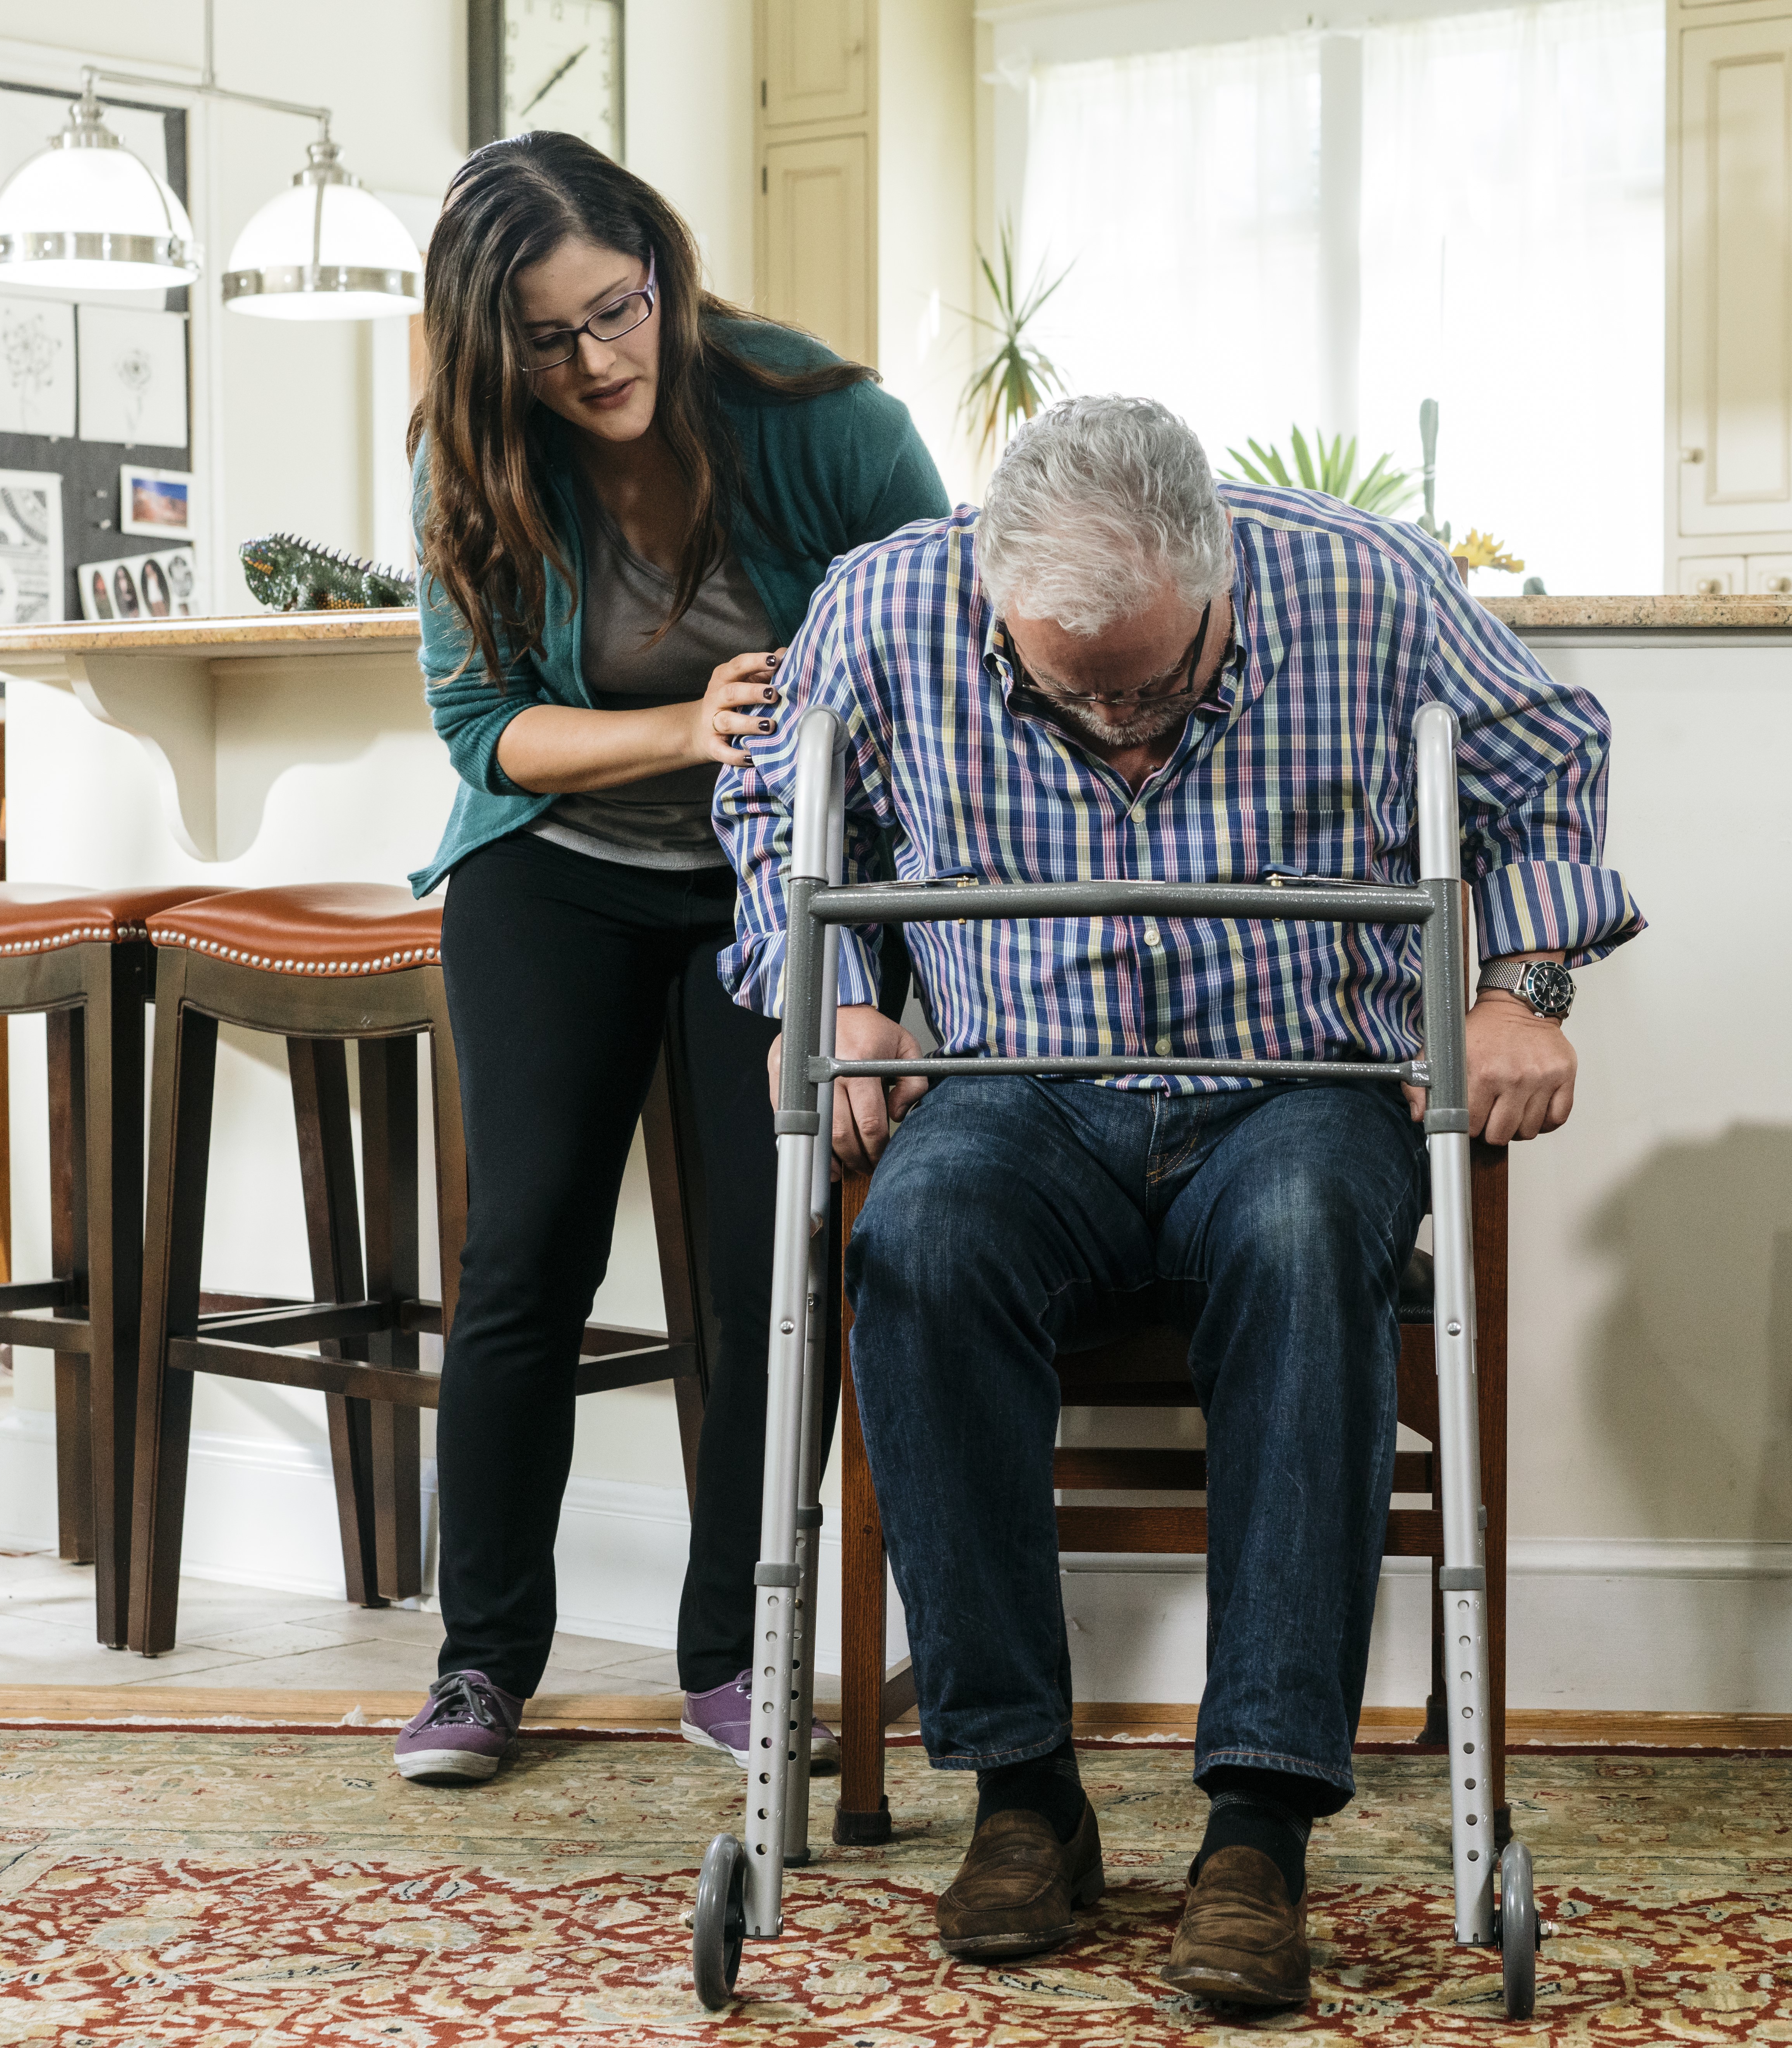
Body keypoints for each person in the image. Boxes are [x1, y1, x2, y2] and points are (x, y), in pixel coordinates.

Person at [716, 396, 1642, 2005]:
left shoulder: (1365, 584)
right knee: (917, 1246)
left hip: (1299, 1086)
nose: (1122, 731)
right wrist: (833, 989)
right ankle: (1023, 1797)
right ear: (992, 597)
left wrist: (1524, 986)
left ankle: (1257, 1831)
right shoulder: (881, 606)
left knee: (1296, 1246)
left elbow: (1548, 757)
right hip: (1016, 1083)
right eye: (1070, 696)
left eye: (1154, 686)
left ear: (1218, 577)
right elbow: (772, 816)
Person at [395, 131, 947, 1785]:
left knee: (769, 1267)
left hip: (770, 891)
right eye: (548, 341)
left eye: (616, 312)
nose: (596, 363)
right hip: (553, 883)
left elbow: (941, 647)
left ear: (664, 268)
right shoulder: (473, 461)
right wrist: (674, 725)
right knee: (523, 1265)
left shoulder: (823, 422)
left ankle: (736, 1654)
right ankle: (481, 1665)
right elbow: (483, 736)